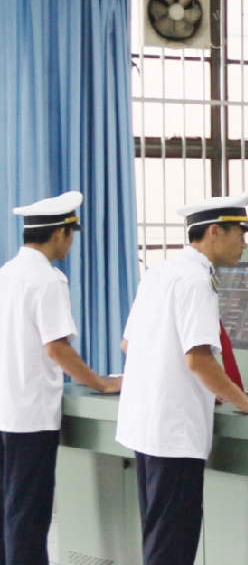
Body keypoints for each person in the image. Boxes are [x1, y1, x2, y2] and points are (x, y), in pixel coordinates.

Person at [115, 191, 248, 565]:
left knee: (159, 538)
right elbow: (198, 359)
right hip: (174, 435)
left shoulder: (161, 272)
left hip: (146, 428)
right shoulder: (198, 281)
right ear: (214, 232)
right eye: (240, 233)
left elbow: (128, 344)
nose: (245, 243)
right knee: (172, 547)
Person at [0, 191, 121, 565]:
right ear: (59, 234)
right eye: (71, 234)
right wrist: (102, 383)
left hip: (5, 409)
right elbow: (57, 349)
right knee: (29, 517)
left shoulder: (8, 273)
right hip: (30, 418)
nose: (71, 243)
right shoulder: (48, 280)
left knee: (9, 512)